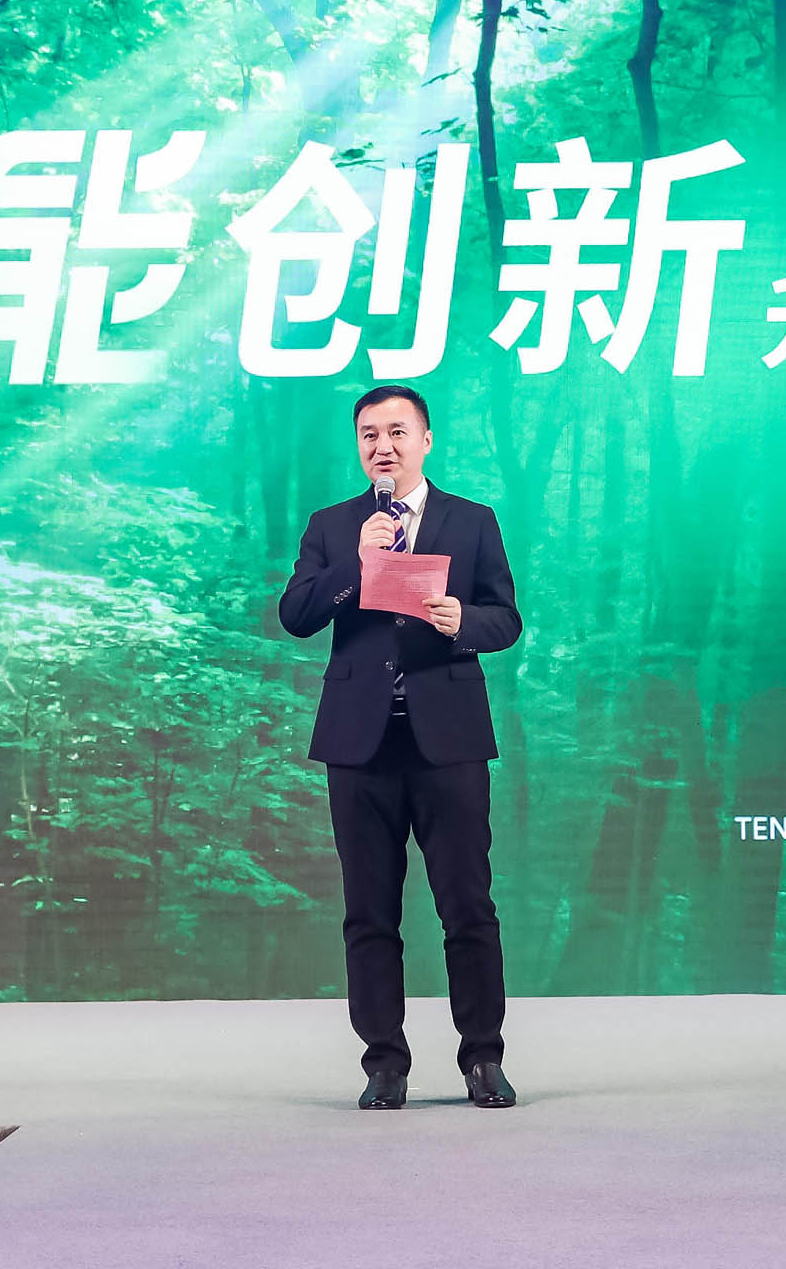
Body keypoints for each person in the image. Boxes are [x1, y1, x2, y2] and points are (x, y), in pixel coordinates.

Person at [278, 384, 522, 1110]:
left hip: (449, 741)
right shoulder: (333, 525)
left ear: (425, 440)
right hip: (360, 746)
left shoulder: (471, 521)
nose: (381, 446)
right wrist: (356, 564)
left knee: (467, 906)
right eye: (368, 435)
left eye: (395, 432)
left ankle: (483, 1058)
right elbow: (295, 614)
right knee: (369, 912)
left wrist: (460, 620)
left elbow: (506, 618)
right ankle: (384, 1064)